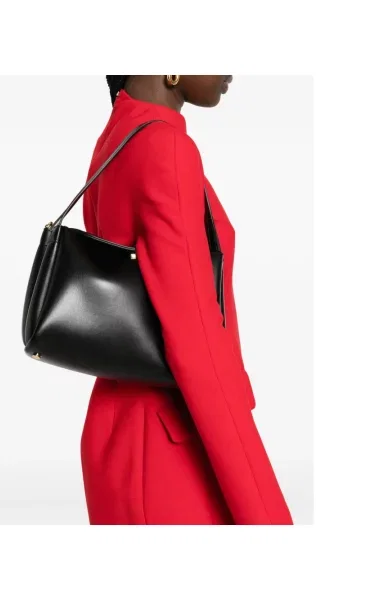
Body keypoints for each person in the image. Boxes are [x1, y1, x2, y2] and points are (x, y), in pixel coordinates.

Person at [80, 75, 293, 525]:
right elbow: (198, 346)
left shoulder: (117, 137)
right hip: (172, 457)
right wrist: (267, 515)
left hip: (120, 440)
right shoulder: (165, 148)